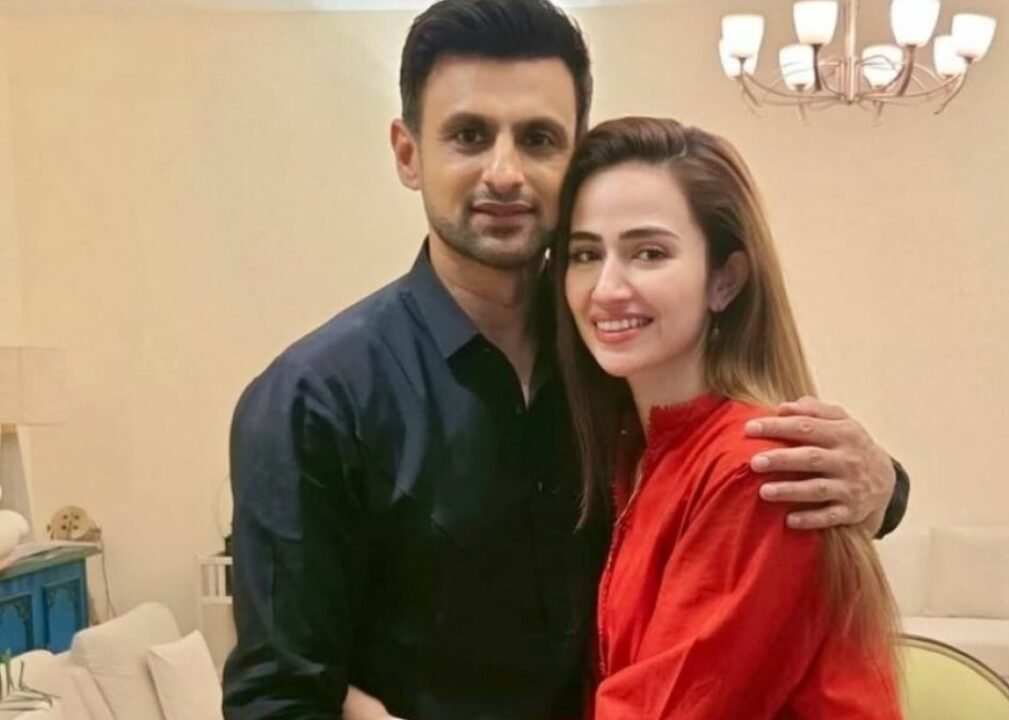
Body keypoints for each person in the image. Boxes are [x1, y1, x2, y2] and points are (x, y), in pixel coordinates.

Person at [222, 2, 910, 719]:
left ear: (572, 156)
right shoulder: (314, 399)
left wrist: (883, 486)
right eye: (469, 135)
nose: (505, 172)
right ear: (408, 153)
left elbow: (746, 490)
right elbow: (278, 701)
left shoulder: (618, 361)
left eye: (538, 139)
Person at [556, 117, 900, 719]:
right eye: (586, 254)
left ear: (725, 280)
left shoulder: (757, 471)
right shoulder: (633, 451)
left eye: (648, 253)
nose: (606, 287)